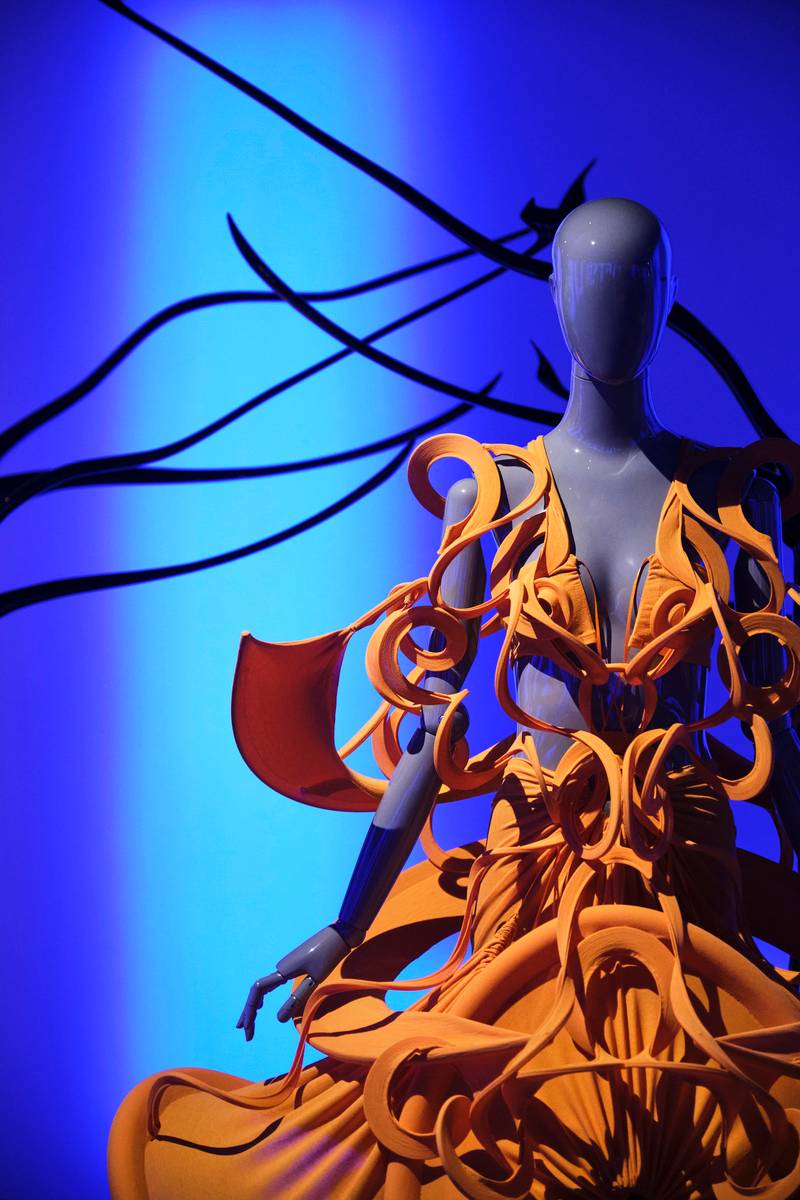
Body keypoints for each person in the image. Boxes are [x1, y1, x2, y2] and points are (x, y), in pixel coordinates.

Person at [109, 197, 800, 1199]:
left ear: (670, 299)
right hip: (534, 859)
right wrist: (347, 926)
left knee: (706, 1135)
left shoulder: (737, 499)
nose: (612, 309)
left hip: (685, 869)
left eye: (637, 287)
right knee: (496, 1126)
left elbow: (778, 740)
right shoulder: (493, 494)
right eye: (591, 284)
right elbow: (433, 737)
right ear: (554, 295)